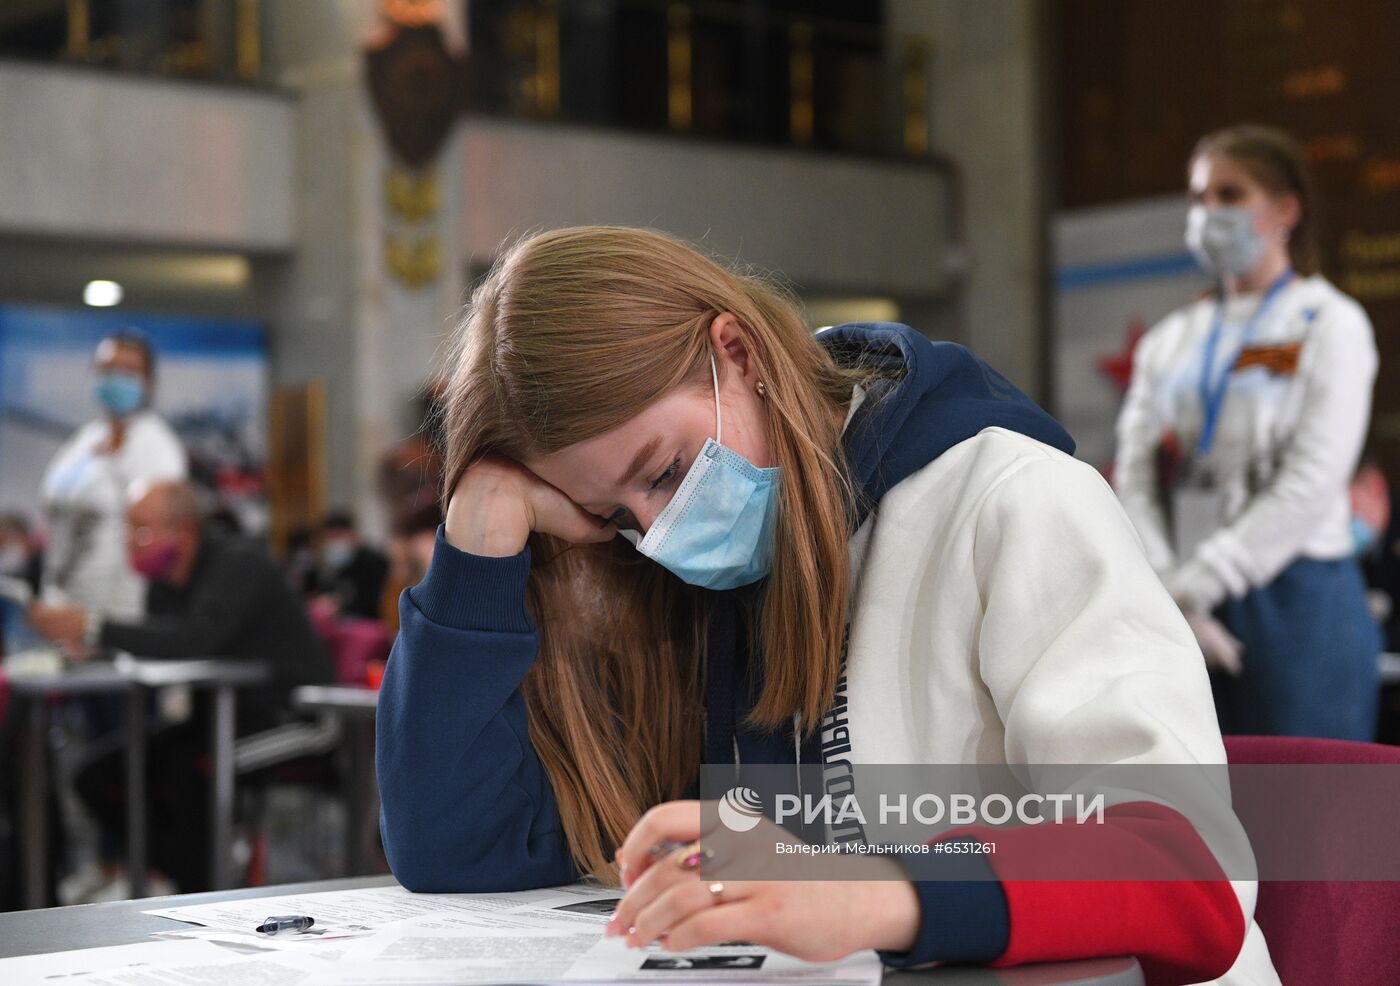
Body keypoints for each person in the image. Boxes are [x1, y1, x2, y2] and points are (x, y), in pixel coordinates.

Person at [376, 227, 1278, 983]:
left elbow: (1185, 864)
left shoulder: (1010, 497)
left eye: (666, 471)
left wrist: (871, 886)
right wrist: (480, 543)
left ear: (736, 351)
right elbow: (459, 853)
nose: (658, 531)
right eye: (615, 514)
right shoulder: (690, 585)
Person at [1114, 125, 1380, 740]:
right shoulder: (1169, 340)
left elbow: (1313, 480)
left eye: (1229, 195)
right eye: (1199, 197)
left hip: (1294, 598)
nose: (1209, 212)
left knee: (1301, 820)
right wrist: (1165, 587)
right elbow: (1134, 471)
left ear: (1285, 210)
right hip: (1175, 595)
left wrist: (1197, 585)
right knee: (1191, 817)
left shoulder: (1329, 323)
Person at [28, 481, 333, 893]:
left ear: (184, 531)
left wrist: (94, 625)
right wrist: (92, 649)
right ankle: (189, 880)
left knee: (192, 773)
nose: (131, 542)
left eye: (142, 529)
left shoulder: (239, 564)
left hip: (291, 719)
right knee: (102, 776)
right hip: (215, 720)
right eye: (129, 529)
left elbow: (192, 639)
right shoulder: (164, 587)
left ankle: (204, 892)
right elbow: (163, 645)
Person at [38, 331, 187, 627]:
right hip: (62, 599)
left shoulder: (157, 447)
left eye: (129, 371)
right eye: (107, 369)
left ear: (148, 382)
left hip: (118, 611)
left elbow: (157, 539)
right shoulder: (86, 439)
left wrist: (104, 625)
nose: (116, 378)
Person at [308, 511, 389, 621]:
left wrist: (341, 604)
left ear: (352, 534)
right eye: (329, 538)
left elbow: (378, 602)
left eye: (337, 536)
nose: (333, 543)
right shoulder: (335, 564)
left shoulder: (374, 562)